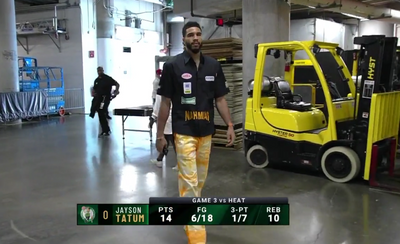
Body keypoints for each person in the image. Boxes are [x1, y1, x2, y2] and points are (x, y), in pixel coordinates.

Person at [155, 21, 235, 244]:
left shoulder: (213, 66)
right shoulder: (173, 66)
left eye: (198, 34)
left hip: (206, 133)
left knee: (198, 182)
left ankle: (187, 214)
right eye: (190, 34)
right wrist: (160, 135)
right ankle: (198, 237)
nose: (196, 37)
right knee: (189, 182)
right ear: (184, 39)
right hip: (184, 132)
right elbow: (165, 103)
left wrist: (229, 125)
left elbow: (220, 99)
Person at [89, 66, 120, 137]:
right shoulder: (96, 80)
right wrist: (94, 93)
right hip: (99, 98)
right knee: (100, 112)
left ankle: (106, 129)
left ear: (103, 70)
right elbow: (95, 89)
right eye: (98, 71)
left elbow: (117, 84)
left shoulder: (107, 79)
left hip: (105, 98)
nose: (99, 72)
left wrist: (116, 91)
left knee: (102, 110)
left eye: (100, 70)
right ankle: (105, 129)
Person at [150, 92, 177, 169]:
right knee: (167, 140)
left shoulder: (160, 94)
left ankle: (179, 162)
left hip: (166, 121)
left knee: (171, 141)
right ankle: (159, 159)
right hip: (172, 119)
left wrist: (153, 118)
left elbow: (157, 108)